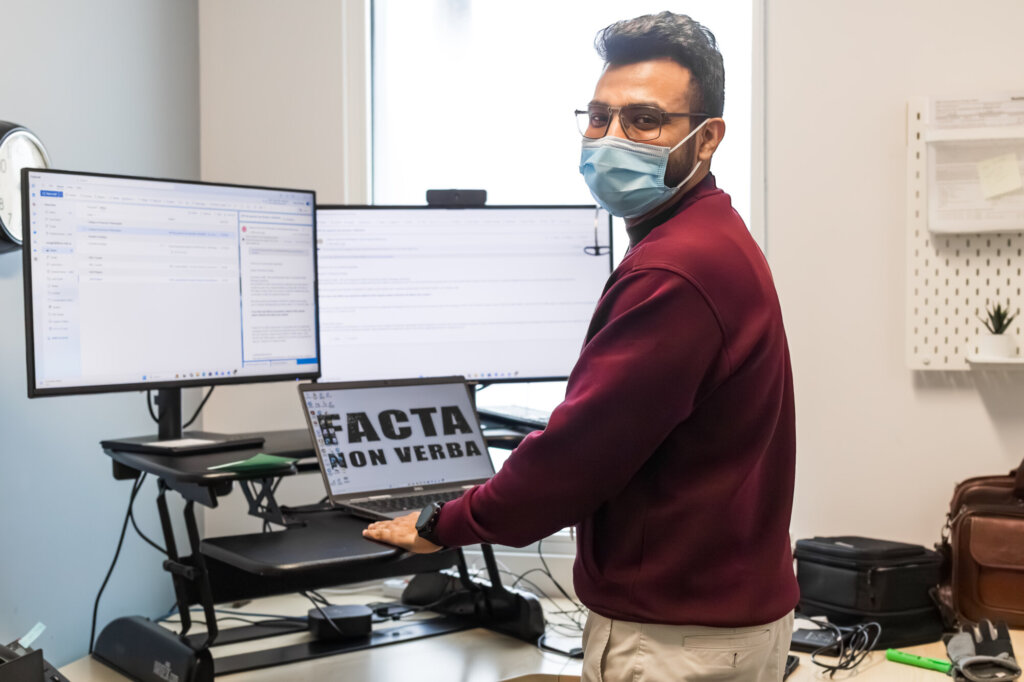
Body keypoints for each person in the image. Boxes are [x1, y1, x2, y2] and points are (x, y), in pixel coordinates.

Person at [363, 11, 798, 681]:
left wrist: (442, 522)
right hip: (712, 625)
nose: (610, 138)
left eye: (643, 120)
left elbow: (577, 458)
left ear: (706, 138)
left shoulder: (674, 269)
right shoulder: (709, 235)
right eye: (598, 117)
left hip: (677, 639)